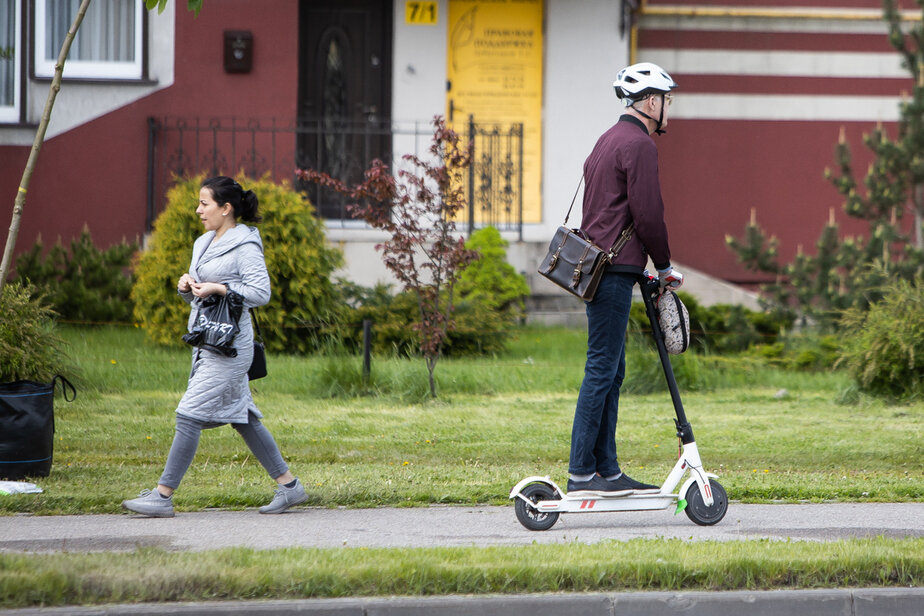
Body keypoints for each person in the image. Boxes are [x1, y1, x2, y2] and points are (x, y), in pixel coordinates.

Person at [122, 176, 308, 517]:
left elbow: (260, 293)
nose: (198, 210)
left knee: (188, 414)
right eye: (199, 203)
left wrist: (220, 288)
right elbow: (201, 291)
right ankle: (290, 487)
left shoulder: (246, 245)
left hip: (231, 348)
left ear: (226, 208)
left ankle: (162, 496)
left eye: (205, 203)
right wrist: (186, 286)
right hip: (206, 340)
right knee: (244, 419)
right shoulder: (202, 242)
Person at [567, 62, 684, 497]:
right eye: (667, 100)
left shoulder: (607, 140)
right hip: (614, 271)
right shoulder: (639, 145)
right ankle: (582, 472)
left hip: (602, 267)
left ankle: (606, 471)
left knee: (611, 371)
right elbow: (648, 214)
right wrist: (666, 266)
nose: (669, 108)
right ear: (651, 102)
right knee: (602, 368)